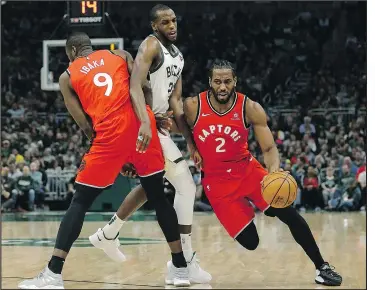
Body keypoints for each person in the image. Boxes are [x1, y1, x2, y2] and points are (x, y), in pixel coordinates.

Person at [123, 60, 342, 286]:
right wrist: (134, 152)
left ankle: (321, 267)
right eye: (217, 81)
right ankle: (250, 209)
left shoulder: (250, 108)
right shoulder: (192, 106)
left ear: (235, 82)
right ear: (210, 82)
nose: (222, 87)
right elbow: (167, 126)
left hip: (247, 172)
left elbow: (268, 149)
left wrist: (273, 173)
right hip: (217, 185)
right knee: (251, 242)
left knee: (289, 213)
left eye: (227, 81)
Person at [18, 32, 189, 289]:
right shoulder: (119, 55)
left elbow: (85, 125)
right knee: (158, 197)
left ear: (72, 53)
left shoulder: (67, 76)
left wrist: (116, 155)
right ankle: (180, 268)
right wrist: (147, 121)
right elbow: (143, 87)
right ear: (89, 46)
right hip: (145, 128)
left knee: (80, 201)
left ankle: (53, 274)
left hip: (110, 133)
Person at [89, 4, 211, 285]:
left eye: (174, 20)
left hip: (156, 125)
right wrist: (145, 121)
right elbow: (134, 86)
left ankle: (108, 233)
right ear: (155, 26)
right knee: (186, 186)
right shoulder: (150, 45)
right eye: (165, 22)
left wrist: (190, 141)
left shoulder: (178, 57)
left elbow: (176, 105)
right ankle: (184, 260)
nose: (172, 25)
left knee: (150, 186)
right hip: (140, 124)